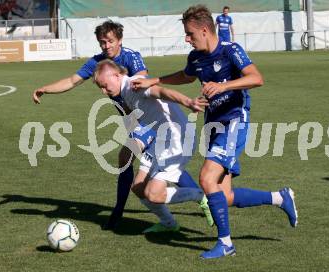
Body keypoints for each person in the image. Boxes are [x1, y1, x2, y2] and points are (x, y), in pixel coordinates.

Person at [132, 5, 298, 259]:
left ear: (205, 30)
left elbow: (256, 78)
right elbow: (187, 76)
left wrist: (224, 86)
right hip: (213, 124)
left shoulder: (231, 51)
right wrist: (155, 80)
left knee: (207, 178)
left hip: (234, 120)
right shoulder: (196, 58)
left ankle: (226, 244)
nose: (187, 38)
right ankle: (279, 197)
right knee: (223, 195)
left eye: (190, 33)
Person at [32, 20, 211, 231]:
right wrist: (46, 89)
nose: (106, 46)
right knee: (140, 166)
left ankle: (121, 209)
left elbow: (144, 83)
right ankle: (173, 213)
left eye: (110, 41)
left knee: (130, 158)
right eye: (102, 42)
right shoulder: (98, 63)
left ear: (119, 40)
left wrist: (183, 101)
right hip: (134, 119)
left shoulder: (130, 57)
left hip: (149, 120)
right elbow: (72, 81)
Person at [93, 59, 210, 233]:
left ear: (116, 75)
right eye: (100, 88)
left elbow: (162, 91)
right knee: (138, 187)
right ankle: (169, 223)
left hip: (178, 139)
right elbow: (130, 111)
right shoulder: (123, 92)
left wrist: (188, 102)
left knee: (153, 193)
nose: (104, 91)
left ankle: (200, 196)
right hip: (160, 139)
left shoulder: (134, 85)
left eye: (104, 85)